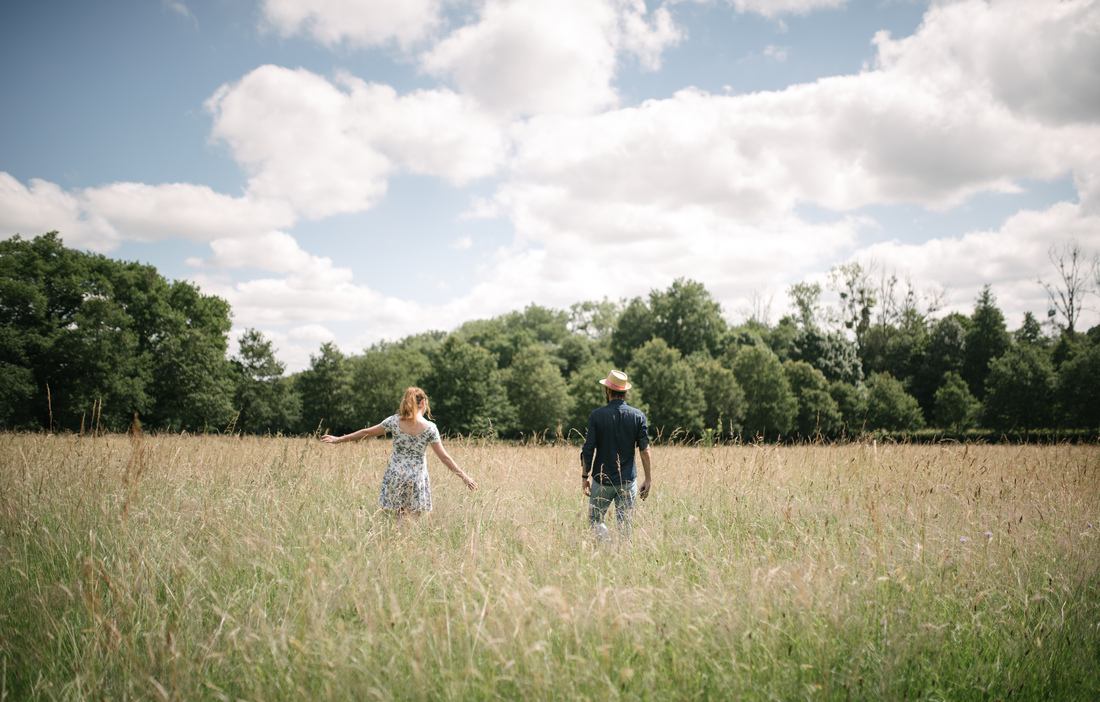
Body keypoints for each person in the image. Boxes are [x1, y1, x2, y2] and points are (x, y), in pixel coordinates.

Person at [321, 386, 476, 519]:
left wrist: (338, 439)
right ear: (422, 403)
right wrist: (465, 477)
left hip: (396, 475)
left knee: (399, 517)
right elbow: (444, 457)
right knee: (412, 521)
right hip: (416, 478)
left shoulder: (394, 421)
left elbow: (366, 432)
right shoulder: (430, 428)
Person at [581, 370, 652, 537]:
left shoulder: (596, 416)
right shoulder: (638, 416)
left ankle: (604, 549)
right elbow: (645, 450)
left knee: (595, 521)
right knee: (625, 525)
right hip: (628, 480)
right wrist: (648, 479)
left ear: (607, 390)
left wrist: (585, 477)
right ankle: (622, 555)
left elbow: (588, 449)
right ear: (625, 392)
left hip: (602, 480)